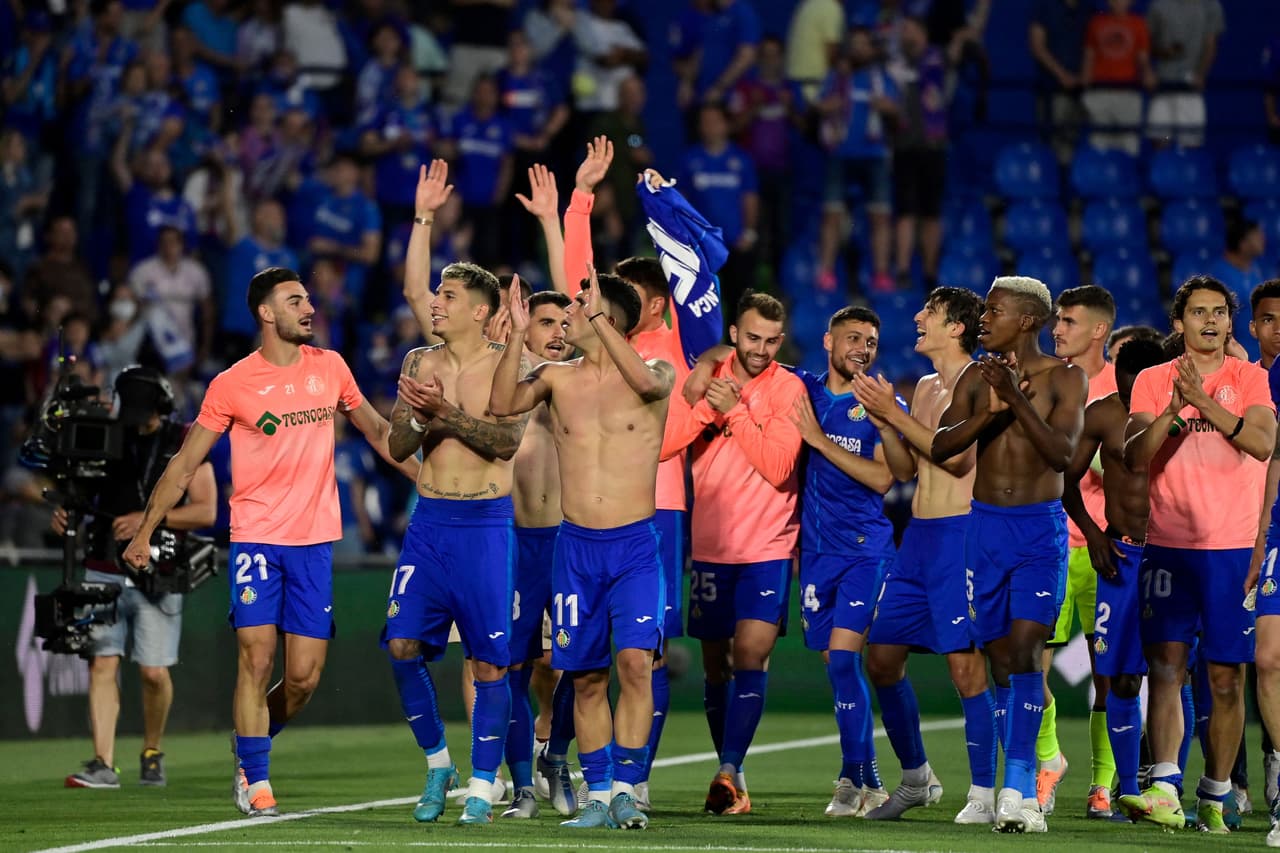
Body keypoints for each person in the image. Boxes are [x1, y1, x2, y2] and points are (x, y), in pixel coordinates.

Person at [122, 266, 415, 817]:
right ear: (265, 313)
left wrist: (431, 483)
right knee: (255, 659)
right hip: (256, 539)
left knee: (302, 678)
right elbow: (186, 462)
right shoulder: (232, 383)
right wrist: (145, 529)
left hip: (314, 541)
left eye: (308, 299)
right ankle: (255, 779)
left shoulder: (330, 368)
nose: (308, 308)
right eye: (295, 300)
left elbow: (378, 431)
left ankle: (252, 739)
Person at [490, 266, 674, 830]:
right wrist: (517, 336)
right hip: (576, 548)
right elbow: (501, 406)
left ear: (606, 317)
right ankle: (598, 795)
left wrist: (596, 312)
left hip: (635, 546)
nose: (567, 315)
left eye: (579, 306)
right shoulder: (556, 377)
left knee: (635, 665)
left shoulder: (657, 372)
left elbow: (646, 386)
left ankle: (625, 786)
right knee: (587, 675)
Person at [381, 233, 532, 826]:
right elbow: (397, 444)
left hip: (486, 526)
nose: (435, 304)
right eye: (436, 294)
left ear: (480, 309)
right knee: (400, 646)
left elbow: (506, 443)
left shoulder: (508, 364)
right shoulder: (419, 362)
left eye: (447, 294)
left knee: (490, 664)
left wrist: (447, 415)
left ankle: (480, 785)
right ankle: (438, 762)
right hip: (429, 523)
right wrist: (419, 417)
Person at [931, 275, 1088, 833]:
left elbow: (1063, 455)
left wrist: (1016, 398)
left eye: (994, 311)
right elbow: (941, 442)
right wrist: (991, 410)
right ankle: (1019, 777)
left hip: (1037, 532)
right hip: (985, 531)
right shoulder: (978, 375)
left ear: (1027, 321)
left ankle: (1018, 789)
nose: (983, 318)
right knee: (1001, 658)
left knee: (1026, 649)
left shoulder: (1067, 377)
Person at [1123, 275, 1275, 832]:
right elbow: (1136, 456)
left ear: (1230, 322)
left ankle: (1214, 792)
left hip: (1233, 549)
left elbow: (1261, 443)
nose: (1209, 321)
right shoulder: (1151, 379)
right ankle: (1164, 785)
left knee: (1227, 678)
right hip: (1168, 544)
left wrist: (1203, 401)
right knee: (1166, 667)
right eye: (1198, 312)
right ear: (1178, 323)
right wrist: (1171, 410)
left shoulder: (1252, 377)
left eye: (1218, 312)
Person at [853, 287, 997, 824]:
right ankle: (916, 779)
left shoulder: (978, 380)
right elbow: (908, 470)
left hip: (961, 535)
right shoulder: (928, 386)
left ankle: (983, 794)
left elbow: (956, 463)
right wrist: (886, 421)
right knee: (883, 658)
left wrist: (894, 409)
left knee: (965, 668)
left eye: (928, 314)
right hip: (918, 536)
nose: (916, 318)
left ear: (956, 327)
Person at [664, 291, 806, 816]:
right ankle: (735, 770)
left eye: (771, 340)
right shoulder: (704, 378)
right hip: (711, 546)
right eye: (752, 338)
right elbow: (667, 441)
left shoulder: (789, 387)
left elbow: (778, 467)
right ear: (733, 331)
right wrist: (707, 404)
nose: (761, 349)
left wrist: (738, 411)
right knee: (716, 665)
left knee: (750, 655)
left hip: (767, 545)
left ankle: (725, 770)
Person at [62, 367, 217, 790]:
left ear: (162, 407)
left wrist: (146, 520)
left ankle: (152, 749)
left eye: (144, 411)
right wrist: (68, 515)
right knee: (102, 662)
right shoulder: (103, 436)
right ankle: (102, 762)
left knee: (153, 672)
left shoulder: (183, 440)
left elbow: (206, 511)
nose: (137, 419)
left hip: (158, 571)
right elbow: (76, 493)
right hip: (103, 565)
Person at [787, 306, 899, 817]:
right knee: (835, 662)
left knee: (846, 658)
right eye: (853, 337)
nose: (863, 348)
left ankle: (864, 779)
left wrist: (818, 441)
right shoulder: (801, 391)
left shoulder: (876, 402)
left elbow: (882, 478)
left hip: (865, 550)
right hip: (815, 553)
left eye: (871, 341)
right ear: (828, 341)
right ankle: (858, 775)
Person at [1062, 337, 1167, 821]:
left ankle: (1172, 788)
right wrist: (1094, 534)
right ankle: (1128, 791)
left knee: (1174, 671)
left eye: (1141, 384)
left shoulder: (1182, 413)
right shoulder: (1104, 414)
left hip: (1172, 555)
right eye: (1126, 384)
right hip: (1120, 557)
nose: (1132, 394)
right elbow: (1066, 482)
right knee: (1120, 678)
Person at [1040, 285, 1119, 818]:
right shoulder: (1046, 379)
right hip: (1048, 543)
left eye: (1068, 321)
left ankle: (1104, 781)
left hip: (1105, 550)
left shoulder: (1125, 389)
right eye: (1055, 321)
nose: (1056, 329)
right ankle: (1047, 762)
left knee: (1107, 674)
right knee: (1030, 664)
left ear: (1099, 330)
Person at [500, 288, 575, 820]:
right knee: (510, 670)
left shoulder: (581, 381)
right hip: (518, 544)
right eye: (544, 321)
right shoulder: (508, 383)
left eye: (562, 323)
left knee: (580, 665)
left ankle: (557, 756)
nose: (557, 331)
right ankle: (523, 784)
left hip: (571, 543)